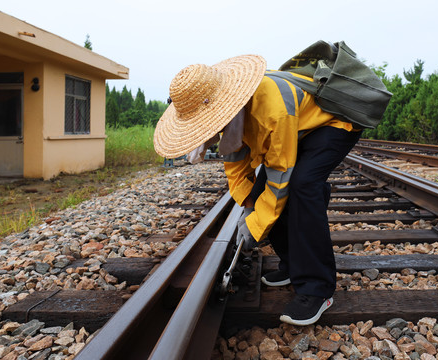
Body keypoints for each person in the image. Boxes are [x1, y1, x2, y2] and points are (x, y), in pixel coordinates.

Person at [153, 54, 362, 326]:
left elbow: (280, 177)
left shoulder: (272, 108)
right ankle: (292, 265)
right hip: (298, 129)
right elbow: (236, 168)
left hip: (332, 124)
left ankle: (317, 289)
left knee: (302, 186)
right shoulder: (232, 115)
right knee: (262, 193)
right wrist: (249, 205)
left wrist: (255, 226)